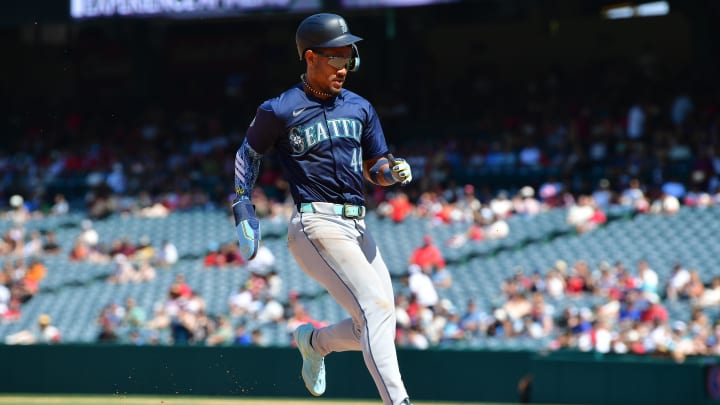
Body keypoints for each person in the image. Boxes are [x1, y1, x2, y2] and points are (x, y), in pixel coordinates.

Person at [230, 13, 414, 405]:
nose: (345, 67)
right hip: (316, 223)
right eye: (336, 57)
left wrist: (391, 172)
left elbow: (375, 168)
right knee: (376, 309)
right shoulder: (280, 109)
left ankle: (314, 343)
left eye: (349, 57)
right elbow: (248, 154)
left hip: (359, 226)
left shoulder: (360, 107)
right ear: (311, 57)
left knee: (380, 321)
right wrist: (243, 206)